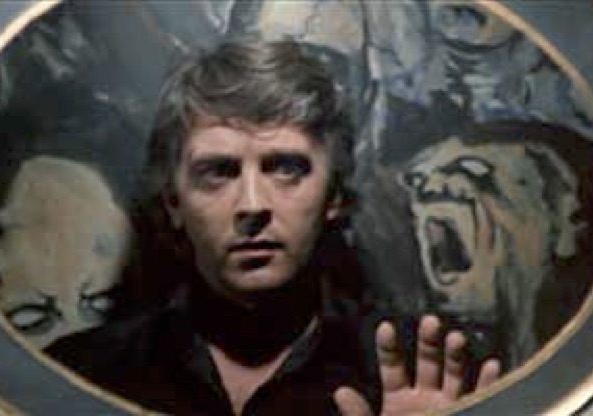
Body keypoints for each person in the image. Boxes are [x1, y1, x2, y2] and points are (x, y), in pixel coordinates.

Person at [46, 39, 500, 415]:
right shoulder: (76, 377)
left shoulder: (434, 375)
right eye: (218, 172)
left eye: (286, 168)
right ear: (173, 202)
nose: (252, 205)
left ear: (334, 194)